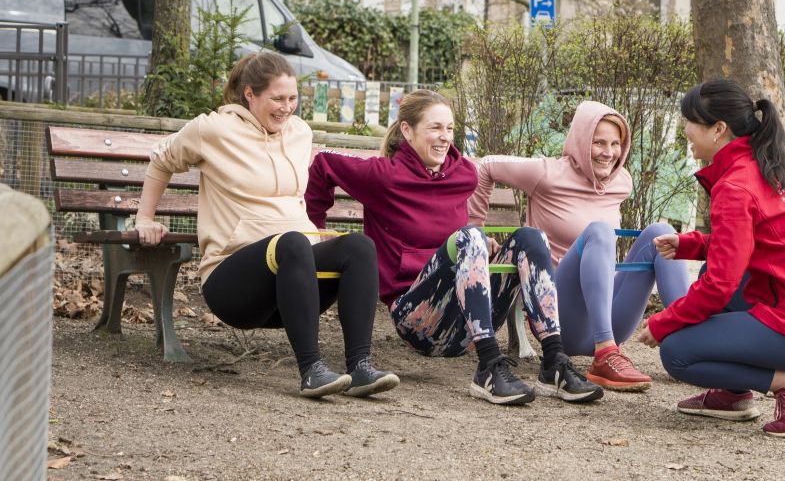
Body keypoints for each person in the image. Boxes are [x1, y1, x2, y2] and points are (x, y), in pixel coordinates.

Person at [305, 89, 603, 406]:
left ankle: (553, 362)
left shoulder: (462, 174)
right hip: (417, 318)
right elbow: (324, 164)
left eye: (449, 128)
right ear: (407, 130)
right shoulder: (383, 175)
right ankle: (489, 366)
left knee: (531, 238)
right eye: (435, 128)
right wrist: (316, 227)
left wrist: (475, 249)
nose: (444, 137)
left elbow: (452, 232)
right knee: (468, 236)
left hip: (465, 320)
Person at [134, 51, 398, 399]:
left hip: (294, 283)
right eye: (277, 98)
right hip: (235, 284)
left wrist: (315, 232)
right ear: (250, 94)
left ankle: (360, 367)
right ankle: (311, 371)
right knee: (291, 243)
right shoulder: (213, 129)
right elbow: (161, 160)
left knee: (358, 247)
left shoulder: (299, 133)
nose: (286, 108)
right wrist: (145, 217)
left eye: (292, 98)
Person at [638, 79, 785, 438]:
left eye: (690, 121)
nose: (685, 130)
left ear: (718, 129)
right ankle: (732, 394)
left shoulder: (735, 186)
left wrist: (663, 323)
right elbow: (761, 241)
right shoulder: (766, 164)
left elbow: (720, 286)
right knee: (710, 268)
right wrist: (691, 244)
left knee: (677, 352)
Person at [467, 101, 690, 392]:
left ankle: (688, 343)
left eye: (615, 144)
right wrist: (475, 229)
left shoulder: (621, 182)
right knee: (598, 231)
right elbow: (483, 166)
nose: (608, 153)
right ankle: (606, 353)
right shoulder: (546, 173)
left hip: (611, 316)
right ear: (581, 141)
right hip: (559, 317)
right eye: (598, 142)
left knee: (662, 233)